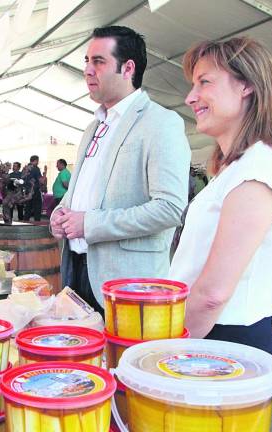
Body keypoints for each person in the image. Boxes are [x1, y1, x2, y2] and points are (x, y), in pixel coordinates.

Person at [50, 26, 190, 314]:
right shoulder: (93, 126)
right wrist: (60, 213)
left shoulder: (161, 123)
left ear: (128, 68)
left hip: (127, 284)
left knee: (120, 359)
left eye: (98, 62)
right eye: (86, 61)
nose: (88, 70)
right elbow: (80, 192)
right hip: (76, 271)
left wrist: (89, 224)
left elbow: (170, 208)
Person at [169, 37, 272, 354]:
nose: (191, 97)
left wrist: (164, 350)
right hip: (211, 336)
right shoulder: (238, 167)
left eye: (204, 82)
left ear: (246, 85)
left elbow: (213, 293)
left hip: (224, 343)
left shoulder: (258, 166)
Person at [24, 155, 43, 221]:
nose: (38, 162)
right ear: (35, 161)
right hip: (34, 190)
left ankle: (26, 220)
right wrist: (44, 175)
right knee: (37, 206)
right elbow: (41, 180)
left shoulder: (26, 168)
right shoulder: (35, 168)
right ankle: (37, 221)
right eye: (37, 161)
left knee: (28, 207)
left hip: (27, 190)